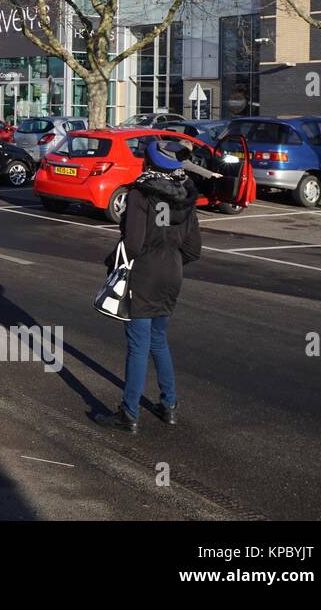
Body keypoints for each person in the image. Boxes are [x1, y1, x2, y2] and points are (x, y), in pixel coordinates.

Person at [95, 139, 203, 434]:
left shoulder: (140, 194)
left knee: (138, 345)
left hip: (144, 275)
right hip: (172, 274)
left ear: (150, 164)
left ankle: (129, 414)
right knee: (159, 340)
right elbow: (193, 250)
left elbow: (132, 244)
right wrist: (170, 259)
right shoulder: (185, 195)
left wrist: (114, 262)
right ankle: (169, 406)